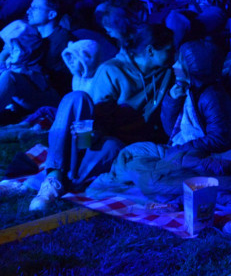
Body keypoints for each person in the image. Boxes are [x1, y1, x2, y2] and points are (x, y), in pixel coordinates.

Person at [28, 24, 175, 211]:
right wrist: (94, 133)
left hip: (116, 147)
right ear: (151, 51)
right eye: (170, 50)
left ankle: (66, 182)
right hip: (89, 137)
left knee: (113, 145)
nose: (174, 54)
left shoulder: (168, 73)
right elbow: (93, 120)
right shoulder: (112, 70)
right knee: (77, 98)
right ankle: (54, 177)